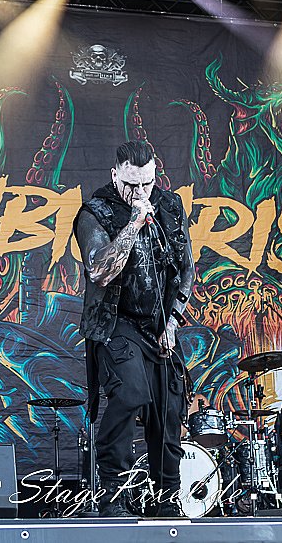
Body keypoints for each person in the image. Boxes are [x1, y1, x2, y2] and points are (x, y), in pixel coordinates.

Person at [74, 141, 195, 517]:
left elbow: (187, 271)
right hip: (116, 322)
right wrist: (133, 223)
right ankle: (113, 493)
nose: (141, 192)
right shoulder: (94, 212)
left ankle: (167, 499)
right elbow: (100, 272)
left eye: (147, 183)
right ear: (115, 176)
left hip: (158, 324)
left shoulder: (170, 206)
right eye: (132, 185)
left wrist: (172, 324)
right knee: (130, 394)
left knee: (169, 411)